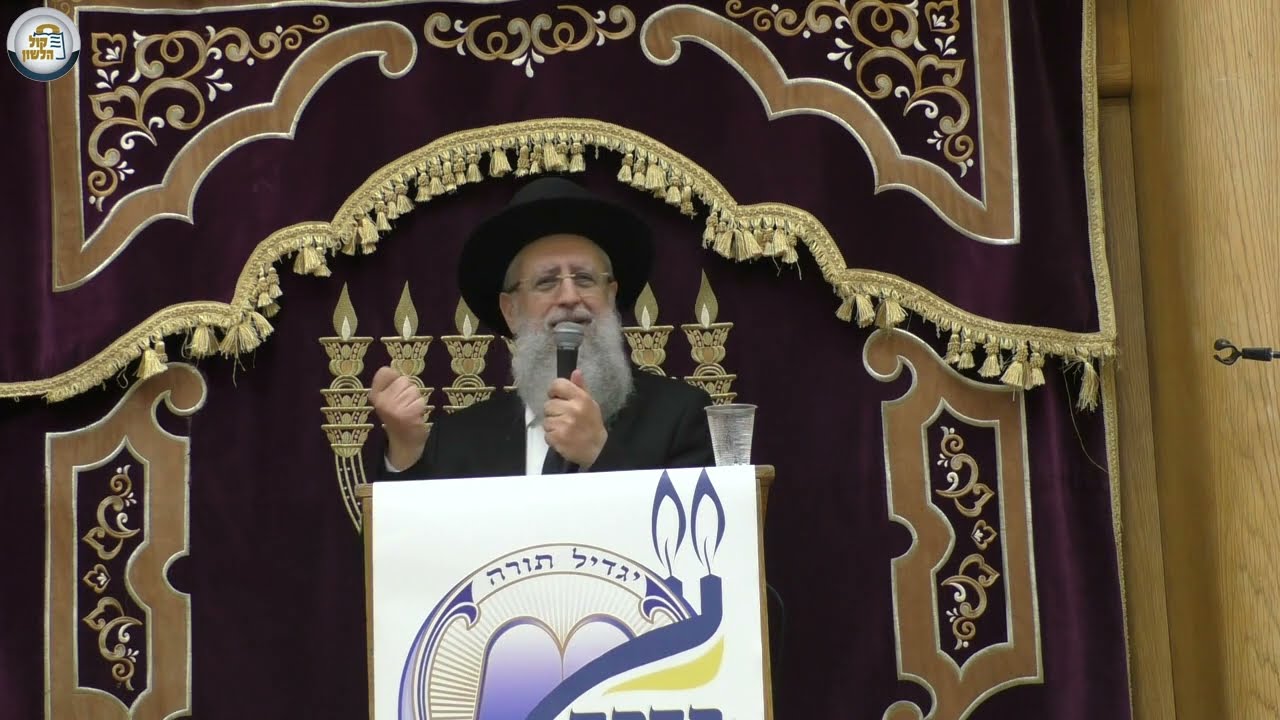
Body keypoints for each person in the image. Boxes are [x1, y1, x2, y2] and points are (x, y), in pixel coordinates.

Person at [370, 176, 717, 480]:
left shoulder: (681, 419)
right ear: (511, 311)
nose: (569, 297)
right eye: (546, 282)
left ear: (610, 296)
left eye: (585, 279)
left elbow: (691, 531)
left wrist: (600, 455)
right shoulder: (457, 438)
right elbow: (411, 534)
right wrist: (405, 451)